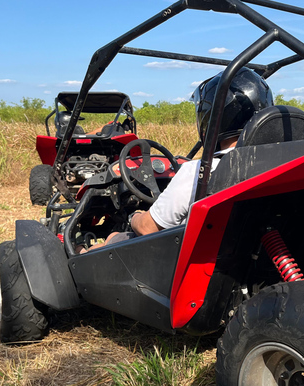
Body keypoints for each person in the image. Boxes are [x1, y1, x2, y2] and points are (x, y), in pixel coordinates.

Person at [83, 67, 273, 252]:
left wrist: (135, 217)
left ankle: (79, 250)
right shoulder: (277, 166)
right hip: (254, 256)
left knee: (110, 240)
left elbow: (148, 228)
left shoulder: (198, 173)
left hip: (190, 261)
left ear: (214, 117)